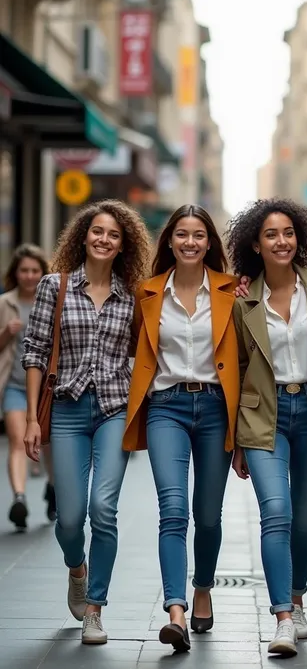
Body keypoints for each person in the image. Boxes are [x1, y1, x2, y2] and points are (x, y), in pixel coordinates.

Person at [22, 200, 151, 645]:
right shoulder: (53, 287)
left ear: (123, 245)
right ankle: (76, 566)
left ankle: (95, 608)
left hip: (113, 409)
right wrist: (32, 420)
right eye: (97, 231)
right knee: (70, 518)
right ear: (83, 236)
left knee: (104, 510)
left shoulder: (133, 295)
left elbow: (151, 348)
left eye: (113, 235)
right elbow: (35, 353)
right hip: (67, 411)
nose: (103, 239)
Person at [123, 205, 240, 653]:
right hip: (166, 408)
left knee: (208, 514)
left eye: (198, 235)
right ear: (169, 241)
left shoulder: (232, 292)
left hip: (215, 408)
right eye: (181, 235)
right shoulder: (147, 294)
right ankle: (175, 610)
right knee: (173, 509)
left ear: (210, 243)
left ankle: (203, 586)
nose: (190, 243)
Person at [226, 199, 307, 657]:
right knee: (278, 513)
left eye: (288, 232)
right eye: (271, 234)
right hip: (261, 417)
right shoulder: (241, 301)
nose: (281, 241)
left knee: (306, 520)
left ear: (300, 238)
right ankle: (283, 619)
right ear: (256, 242)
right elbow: (236, 367)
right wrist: (235, 440)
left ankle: (297, 596)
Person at [0, 244, 56, 530]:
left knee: (47, 443)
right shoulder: (5, 303)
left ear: (42, 273)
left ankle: (52, 486)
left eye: (35, 270)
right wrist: (5, 334)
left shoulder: (53, 299)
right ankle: (19, 497)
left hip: (47, 389)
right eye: (24, 270)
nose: (30, 276)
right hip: (14, 385)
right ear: (15, 273)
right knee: (17, 440)